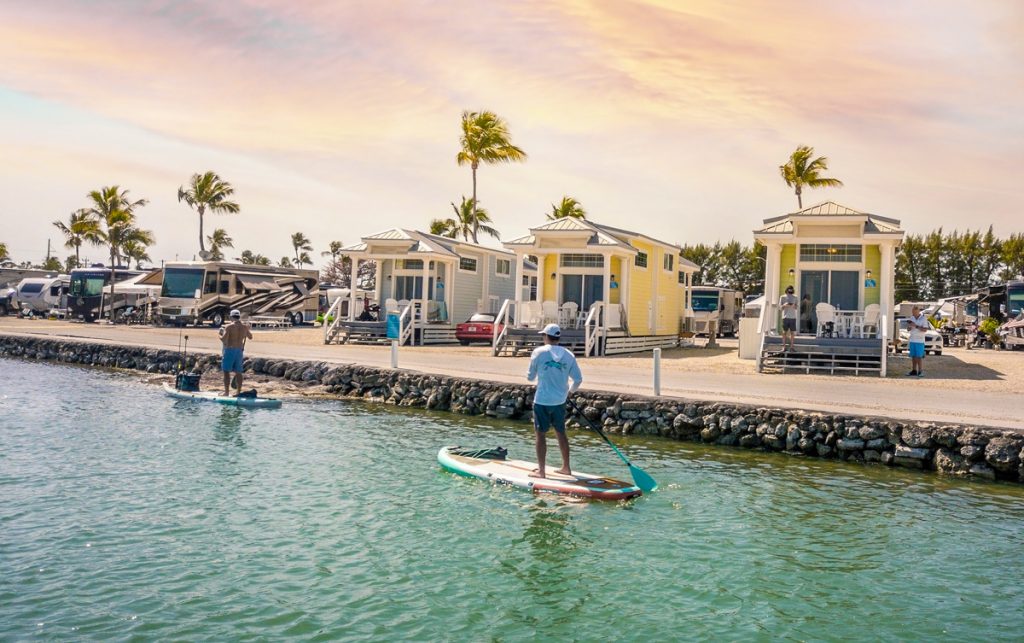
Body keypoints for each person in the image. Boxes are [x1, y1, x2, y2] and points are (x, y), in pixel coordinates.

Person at [526, 323, 583, 478]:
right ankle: (566, 468)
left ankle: (542, 472)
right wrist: (569, 393)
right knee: (561, 432)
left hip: (542, 400)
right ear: (558, 337)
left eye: (543, 335)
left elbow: (530, 377)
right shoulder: (569, 355)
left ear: (545, 336)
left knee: (540, 434)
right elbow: (578, 380)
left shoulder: (538, 352)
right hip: (560, 401)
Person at [219, 309, 253, 395]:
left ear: (231, 317)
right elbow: (250, 337)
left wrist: (219, 334)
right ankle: (238, 391)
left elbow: (224, 340)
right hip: (239, 351)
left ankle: (226, 392)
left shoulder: (229, 327)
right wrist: (248, 329)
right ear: (238, 316)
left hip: (230, 349)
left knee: (226, 371)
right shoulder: (244, 327)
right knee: (238, 372)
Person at [906, 305, 928, 377]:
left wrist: (916, 326)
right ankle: (914, 370)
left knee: (919, 356)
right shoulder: (912, 317)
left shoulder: (924, 318)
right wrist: (909, 328)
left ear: (918, 311)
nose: (913, 314)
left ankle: (920, 371)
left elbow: (925, 329)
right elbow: (909, 328)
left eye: (914, 312)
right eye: (912, 312)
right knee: (913, 356)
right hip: (912, 339)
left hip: (920, 340)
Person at [779, 285, 798, 351]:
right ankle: (783, 346)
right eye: (789, 289)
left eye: (791, 289)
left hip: (793, 317)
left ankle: (792, 346)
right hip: (785, 317)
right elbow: (780, 308)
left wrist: (793, 305)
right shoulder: (782, 297)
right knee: (784, 332)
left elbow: (796, 307)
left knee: (792, 332)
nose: (790, 290)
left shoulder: (795, 297)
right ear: (787, 289)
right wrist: (785, 305)